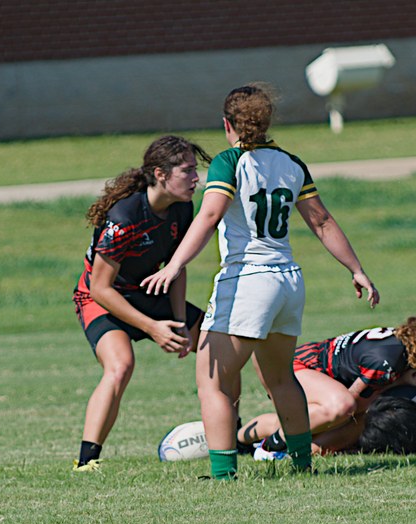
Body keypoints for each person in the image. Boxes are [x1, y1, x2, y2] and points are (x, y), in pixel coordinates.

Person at [140, 83, 379, 480]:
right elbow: (321, 220)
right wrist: (356, 269)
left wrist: (174, 265)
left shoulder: (229, 162)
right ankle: (302, 464)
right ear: (266, 123)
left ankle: (222, 476)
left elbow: (211, 215)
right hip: (288, 281)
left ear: (228, 124)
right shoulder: (291, 163)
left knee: (213, 381)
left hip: (249, 281)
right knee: (281, 378)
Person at [72, 135, 211, 471]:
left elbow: (176, 268)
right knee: (120, 366)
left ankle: (231, 439)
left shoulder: (181, 207)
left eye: (196, 170)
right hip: (100, 298)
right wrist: (152, 328)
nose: (196, 178)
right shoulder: (124, 218)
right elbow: (100, 287)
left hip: (147, 293)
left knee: (215, 342)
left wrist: (179, 321)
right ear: (160, 174)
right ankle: (86, 461)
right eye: (187, 170)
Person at [237, 298, 416, 457]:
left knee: (341, 434)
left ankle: (240, 439)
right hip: (296, 366)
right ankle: (273, 444)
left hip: (324, 380)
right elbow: (355, 404)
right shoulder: (388, 359)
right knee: (343, 408)